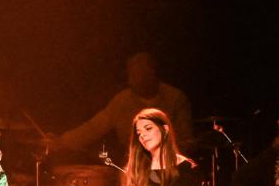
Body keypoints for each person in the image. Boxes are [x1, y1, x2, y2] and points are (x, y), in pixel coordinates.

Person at [57, 51, 193, 154]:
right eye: (132, 74)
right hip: (133, 169)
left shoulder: (175, 99)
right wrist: (62, 141)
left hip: (169, 168)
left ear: (153, 73)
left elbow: (185, 141)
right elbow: (93, 128)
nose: (133, 80)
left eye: (140, 73)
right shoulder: (122, 101)